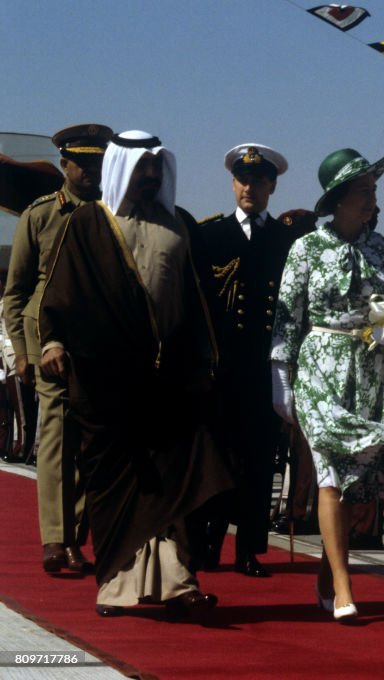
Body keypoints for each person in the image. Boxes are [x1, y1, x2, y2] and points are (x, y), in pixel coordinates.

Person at [37, 130, 231, 617]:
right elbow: (60, 293)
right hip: (109, 382)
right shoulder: (88, 223)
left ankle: (179, 584)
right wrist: (53, 342)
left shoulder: (181, 225)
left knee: (177, 482)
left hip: (171, 382)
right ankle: (116, 588)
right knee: (118, 487)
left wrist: (208, 361)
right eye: (141, 168)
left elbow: (201, 302)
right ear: (123, 169)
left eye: (155, 169)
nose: (149, 177)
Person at [270, 147, 384, 622]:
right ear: (340, 198)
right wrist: (280, 377)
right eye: (364, 190)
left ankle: (329, 576)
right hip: (320, 366)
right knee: (329, 476)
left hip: (369, 366)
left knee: (353, 481)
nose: (373, 199)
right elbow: (288, 316)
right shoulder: (306, 248)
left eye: (373, 190)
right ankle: (346, 589)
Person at [4, 123, 112, 574]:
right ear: (64, 165)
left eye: (96, 164)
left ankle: (76, 535)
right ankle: (55, 539)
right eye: (80, 164)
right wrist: (23, 352)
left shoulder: (113, 214)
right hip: (48, 341)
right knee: (55, 440)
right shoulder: (41, 215)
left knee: (94, 443)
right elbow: (17, 292)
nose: (88, 172)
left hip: (100, 344)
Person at [190, 144, 299, 577]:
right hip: (220, 365)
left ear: (272, 185)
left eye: (257, 180)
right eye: (241, 179)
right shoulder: (210, 236)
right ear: (233, 183)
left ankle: (250, 547)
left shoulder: (286, 240)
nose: (248, 187)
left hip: (264, 367)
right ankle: (208, 541)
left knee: (259, 456)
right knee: (216, 453)